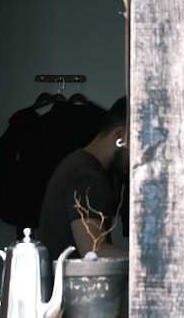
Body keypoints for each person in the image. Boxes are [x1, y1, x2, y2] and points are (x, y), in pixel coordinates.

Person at [38, 96, 129, 260]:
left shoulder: (78, 164)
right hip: (70, 285)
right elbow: (94, 252)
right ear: (120, 136)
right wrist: (149, 261)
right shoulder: (86, 175)